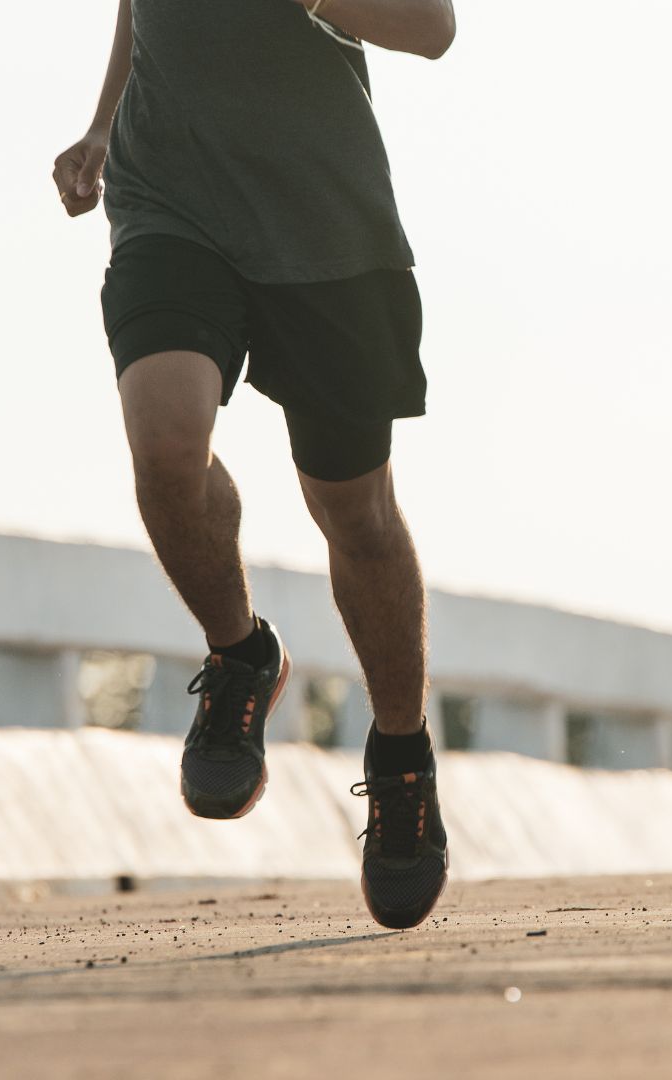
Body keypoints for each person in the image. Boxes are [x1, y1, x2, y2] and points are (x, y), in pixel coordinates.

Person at [52, 0, 456, 930]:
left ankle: (402, 763)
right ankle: (241, 655)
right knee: (164, 449)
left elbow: (432, 27)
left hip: (326, 228)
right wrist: (105, 123)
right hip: (171, 201)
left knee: (356, 515)